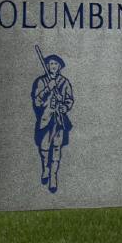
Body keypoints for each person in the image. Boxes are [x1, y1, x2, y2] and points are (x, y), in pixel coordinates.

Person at [31, 54, 74, 193]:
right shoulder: (41, 81)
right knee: (44, 148)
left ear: (59, 66)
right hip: (45, 120)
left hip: (59, 120)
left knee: (56, 148)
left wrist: (65, 107)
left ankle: (53, 177)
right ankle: (45, 168)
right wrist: (48, 88)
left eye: (55, 64)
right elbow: (37, 101)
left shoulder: (64, 82)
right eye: (50, 64)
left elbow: (69, 100)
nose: (53, 66)